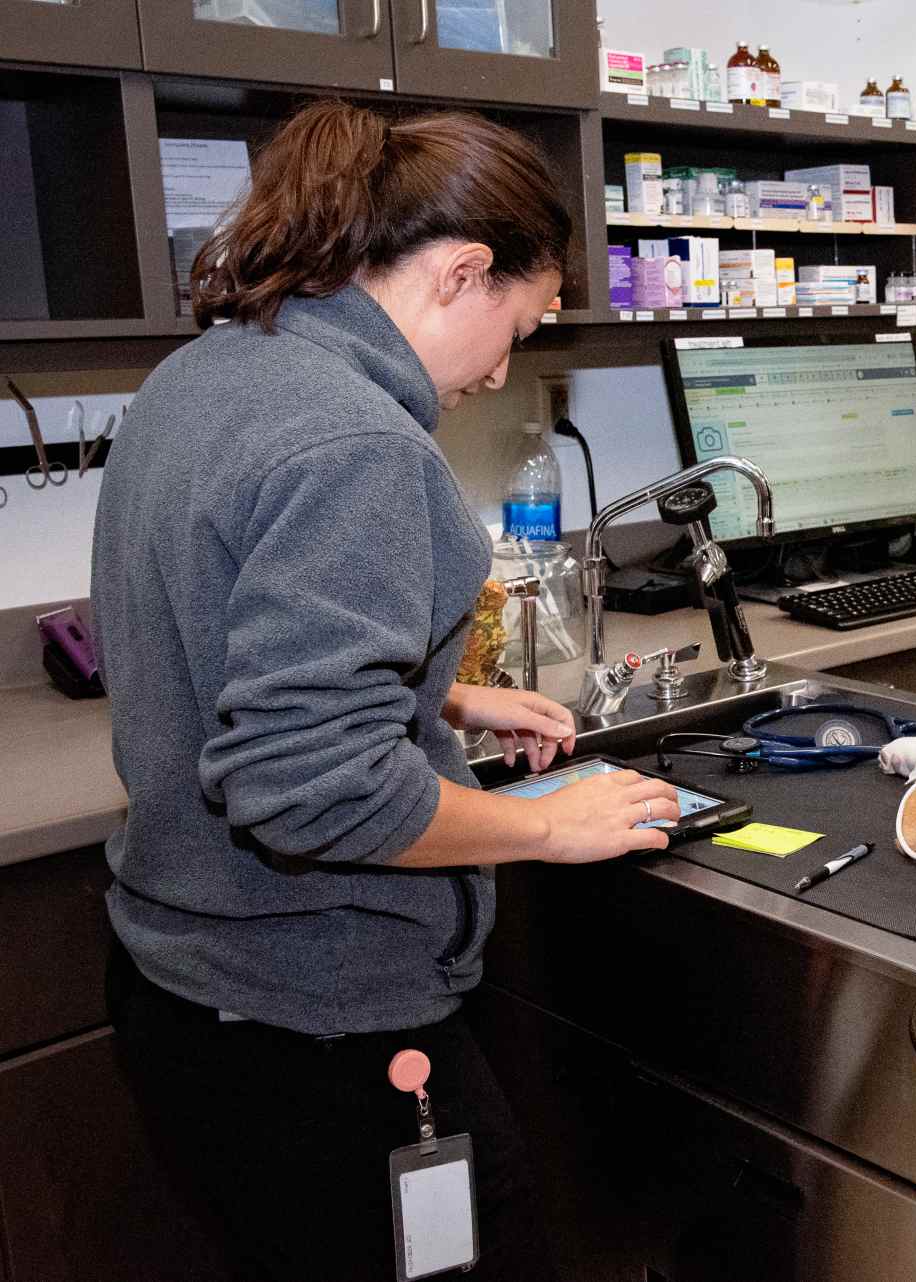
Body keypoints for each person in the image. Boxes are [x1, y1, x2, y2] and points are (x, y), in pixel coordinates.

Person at [90, 100, 677, 1280]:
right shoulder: (356, 442)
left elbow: (223, 632)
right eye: (517, 323)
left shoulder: (204, 374)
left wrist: (439, 701)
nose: (504, 368)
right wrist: (542, 828)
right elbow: (309, 792)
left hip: (181, 996)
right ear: (462, 272)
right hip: (320, 1026)